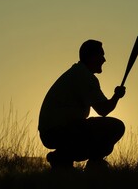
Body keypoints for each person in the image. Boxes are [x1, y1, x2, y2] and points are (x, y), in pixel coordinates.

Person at [38, 39, 126, 171]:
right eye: (101, 55)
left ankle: (62, 158)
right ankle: (90, 163)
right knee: (115, 127)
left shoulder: (78, 73)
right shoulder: (85, 76)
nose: (104, 60)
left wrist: (115, 97)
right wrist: (116, 96)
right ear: (91, 57)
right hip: (58, 131)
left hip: (53, 130)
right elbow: (103, 110)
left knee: (94, 131)